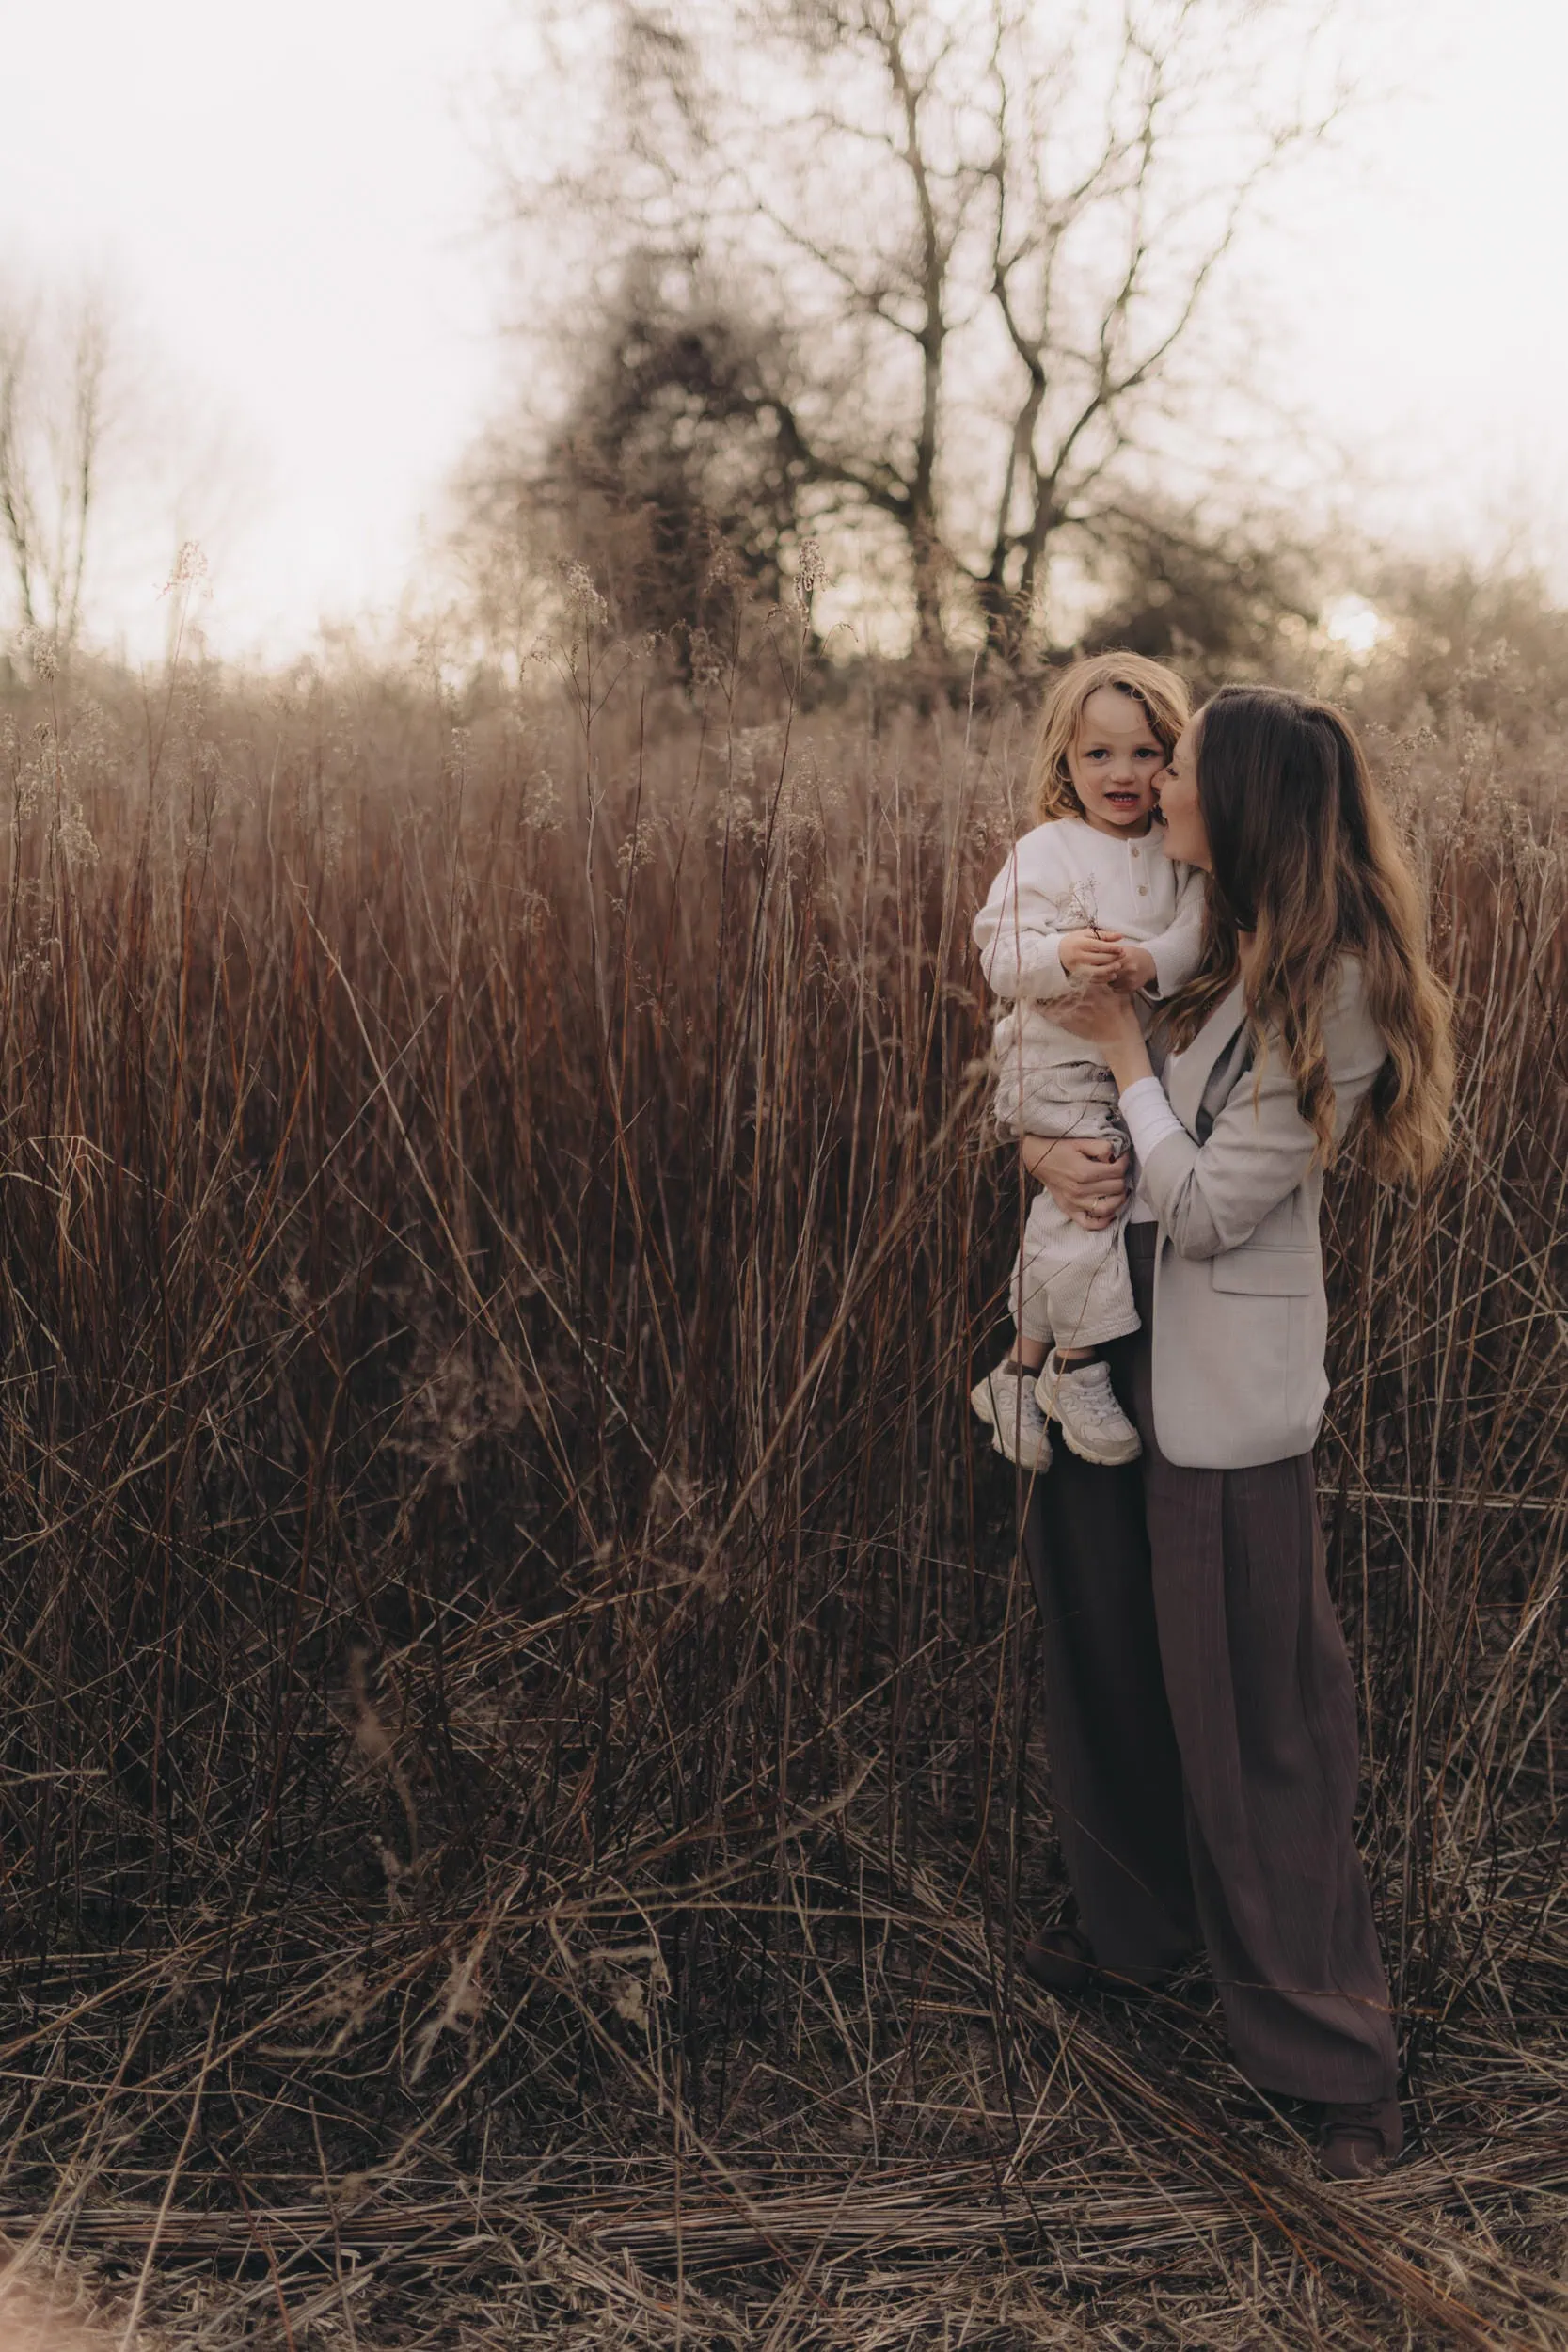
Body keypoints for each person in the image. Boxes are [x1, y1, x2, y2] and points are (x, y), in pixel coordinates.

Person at [1011, 683, 1453, 2183]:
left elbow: (1199, 1202)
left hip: (1214, 1400)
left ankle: (1339, 2073)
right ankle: (1138, 1943)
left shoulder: (1320, 988)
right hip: (1106, 1357)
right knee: (1114, 1670)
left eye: (1181, 763)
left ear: (1242, 796)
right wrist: (1040, 1128)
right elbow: (1066, 1085)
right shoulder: (1212, 943)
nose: (1155, 784)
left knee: (1261, 1724)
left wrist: (1124, 1052)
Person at [970, 656, 1205, 1471]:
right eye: (1097, 754)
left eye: (1144, 752)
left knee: (1077, 1202)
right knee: (1092, 1193)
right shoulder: (1047, 849)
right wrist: (1062, 952)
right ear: (1064, 761)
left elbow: (1193, 937)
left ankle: (1018, 1369)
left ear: (1173, 758)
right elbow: (998, 950)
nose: (1122, 773)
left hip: (1135, 1064)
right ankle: (1074, 1366)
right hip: (1058, 1059)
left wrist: (1147, 965)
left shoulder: (1180, 853)